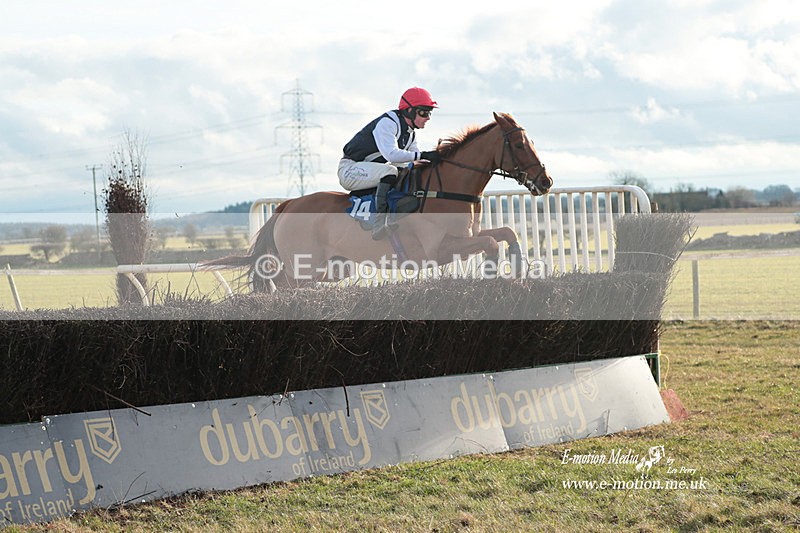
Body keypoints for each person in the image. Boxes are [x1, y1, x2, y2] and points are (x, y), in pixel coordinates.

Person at [338, 87, 441, 239]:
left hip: (368, 169)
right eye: (424, 113)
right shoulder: (388, 123)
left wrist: (435, 160)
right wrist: (423, 155)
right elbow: (391, 154)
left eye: (429, 113)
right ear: (410, 111)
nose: (428, 118)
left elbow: (415, 160)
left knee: (406, 170)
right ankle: (379, 223)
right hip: (350, 170)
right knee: (391, 171)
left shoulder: (410, 134)